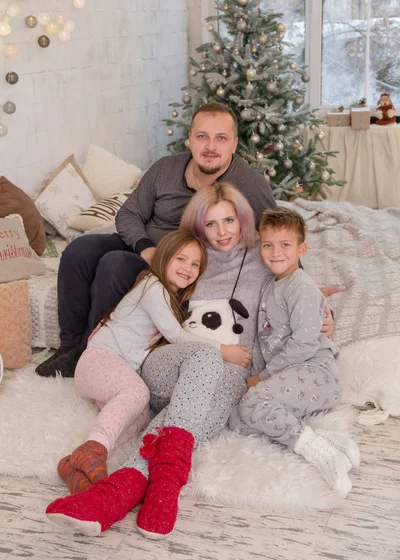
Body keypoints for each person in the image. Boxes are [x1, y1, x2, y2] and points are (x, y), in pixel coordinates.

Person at [45, 184, 334, 539]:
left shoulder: (263, 260)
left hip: (229, 372)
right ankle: (165, 482)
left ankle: (119, 494)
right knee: (203, 355)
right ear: (198, 228)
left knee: (207, 402)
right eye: (211, 224)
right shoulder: (188, 260)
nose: (223, 231)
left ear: (243, 221)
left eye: (229, 220)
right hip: (170, 363)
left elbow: (298, 288)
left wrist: (324, 312)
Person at [36, 102, 276, 378]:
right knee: (79, 250)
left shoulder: (249, 182)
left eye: (220, 138)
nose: (211, 146)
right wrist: (145, 248)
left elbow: (274, 229)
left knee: (113, 265)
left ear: (234, 144)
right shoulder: (166, 168)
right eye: (202, 137)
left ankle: (92, 351)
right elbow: (128, 214)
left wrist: (294, 277)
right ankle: (69, 346)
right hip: (144, 245)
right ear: (190, 140)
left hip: (175, 262)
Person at [57, 229, 242, 495]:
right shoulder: (152, 286)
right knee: (137, 392)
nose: (188, 268)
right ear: (164, 257)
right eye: (181, 259)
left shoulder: (168, 296)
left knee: (139, 417)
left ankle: (77, 462)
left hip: (112, 371)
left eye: (195, 264)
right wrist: (224, 350)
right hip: (99, 360)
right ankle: (94, 448)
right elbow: (177, 336)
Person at [229, 207, 360, 497]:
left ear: (302, 249)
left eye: (285, 245)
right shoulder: (272, 284)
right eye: (268, 244)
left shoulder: (301, 287)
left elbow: (303, 343)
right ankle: (325, 440)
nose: (276, 252)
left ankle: (324, 457)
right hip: (290, 377)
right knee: (237, 420)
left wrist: (261, 377)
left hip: (317, 372)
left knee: (253, 403)